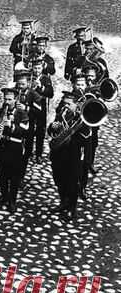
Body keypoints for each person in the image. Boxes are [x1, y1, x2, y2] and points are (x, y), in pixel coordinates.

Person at [0, 86, 30, 213]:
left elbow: (25, 132)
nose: (7, 102)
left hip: (15, 148)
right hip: (1, 147)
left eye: (10, 99)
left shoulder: (22, 115)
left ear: (16, 100)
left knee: (14, 176)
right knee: (2, 173)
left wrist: (12, 126)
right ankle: (3, 196)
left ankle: (12, 200)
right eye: (5, 99)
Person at [48, 91, 85, 221]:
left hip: (72, 156)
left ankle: (72, 208)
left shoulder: (82, 119)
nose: (66, 106)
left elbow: (85, 138)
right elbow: (51, 131)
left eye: (69, 104)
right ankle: (63, 202)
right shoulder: (61, 114)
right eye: (65, 103)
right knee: (59, 179)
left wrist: (70, 137)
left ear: (76, 105)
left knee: (72, 183)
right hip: (58, 155)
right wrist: (53, 127)